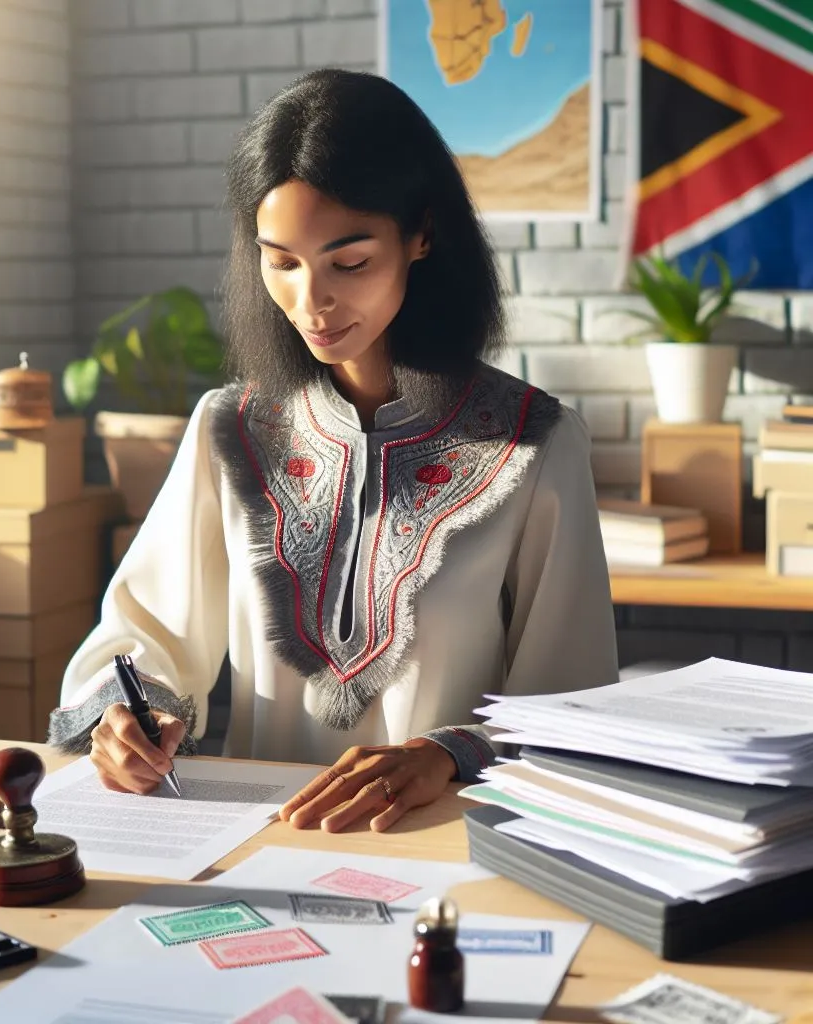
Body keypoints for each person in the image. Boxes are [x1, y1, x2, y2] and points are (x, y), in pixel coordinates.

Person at [48, 68, 618, 833]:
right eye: (280, 261)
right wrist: (128, 716)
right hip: (259, 840)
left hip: (447, 846)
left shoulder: (533, 443)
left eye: (347, 262)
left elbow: (574, 702)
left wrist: (447, 753)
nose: (309, 302)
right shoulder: (232, 429)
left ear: (422, 235)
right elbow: (146, 633)